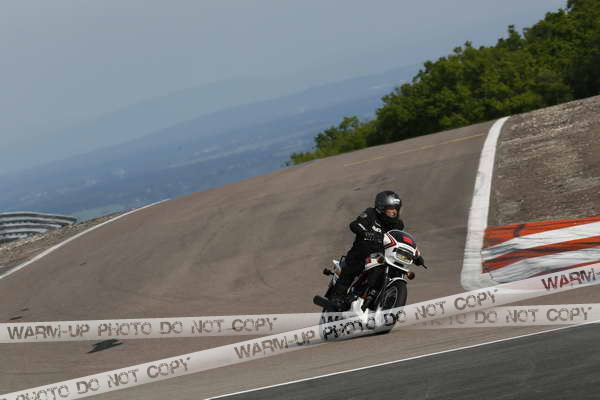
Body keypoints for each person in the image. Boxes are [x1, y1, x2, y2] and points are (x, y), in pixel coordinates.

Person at [329, 190, 425, 310]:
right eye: (391, 208)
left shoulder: (398, 224)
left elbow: (400, 240)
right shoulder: (371, 213)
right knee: (356, 262)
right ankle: (338, 297)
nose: (394, 211)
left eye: (396, 208)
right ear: (381, 207)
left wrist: (416, 255)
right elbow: (355, 224)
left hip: (383, 254)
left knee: (396, 270)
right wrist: (365, 233)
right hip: (364, 250)